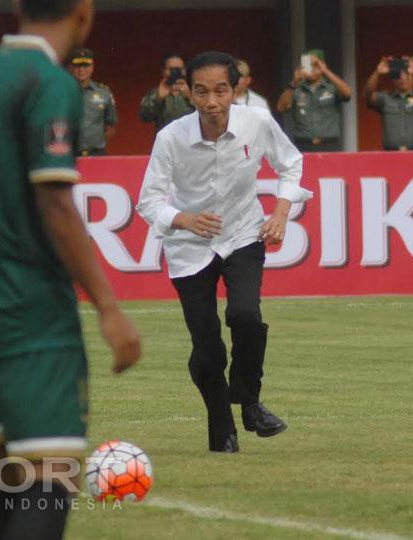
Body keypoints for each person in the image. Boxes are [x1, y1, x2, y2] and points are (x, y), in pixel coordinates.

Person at [0, 0, 141, 538]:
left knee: (7, 484)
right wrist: (108, 307)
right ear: (84, 11)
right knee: (50, 481)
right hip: (28, 315)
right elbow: (54, 203)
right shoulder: (49, 83)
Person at [137, 50, 310, 453]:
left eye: (220, 91)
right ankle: (222, 427)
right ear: (190, 94)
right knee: (208, 347)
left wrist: (281, 213)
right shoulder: (171, 137)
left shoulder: (258, 122)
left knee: (245, 315)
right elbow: (148, 201)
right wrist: (184, 219)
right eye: (201, 92)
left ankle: (249, 402)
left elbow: (291, 165)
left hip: (243, 234)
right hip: (188, 248)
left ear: (236, 89)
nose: (211, 102)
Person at [276, 49, 352, 152]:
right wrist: (294, 82)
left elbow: (347, 94)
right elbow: (281, 108)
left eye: (314, 65)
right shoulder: (296, 89)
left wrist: (325, 71)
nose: (311, 69)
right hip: (303, 145)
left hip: (330, 145)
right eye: (308, 65)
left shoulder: (331, 88)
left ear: (322, 65)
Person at [363, 56, 413, 151]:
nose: (402, 77)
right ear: (393, 79)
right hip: (390, 155)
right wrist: (377, 73)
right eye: (398, 74)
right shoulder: (385, 98)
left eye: (406, 74)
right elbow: (367, 94)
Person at [67, 47, 117, 156]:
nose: (81, 70)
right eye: (77, 66)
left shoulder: (103, 92)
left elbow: (110, 125)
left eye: (86, 66)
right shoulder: (60, 92)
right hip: (68, 154)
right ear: (70, 67)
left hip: (96, 154)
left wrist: (95, 141)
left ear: (92, 67)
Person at [139, 53, 194, 132]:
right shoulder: (155, 93)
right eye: (171, 69)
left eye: (179, 69)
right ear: (163, 71)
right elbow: (144, 118)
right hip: (165, 141)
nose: (175, 72)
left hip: (191, 141)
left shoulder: (196, 92)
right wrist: (158, 98)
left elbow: (208, 116)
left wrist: (191, 97)